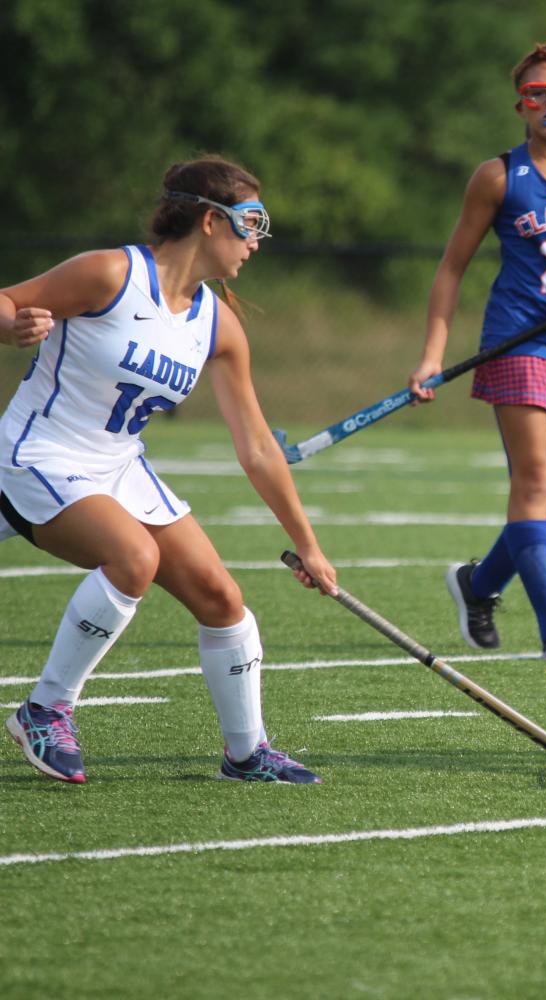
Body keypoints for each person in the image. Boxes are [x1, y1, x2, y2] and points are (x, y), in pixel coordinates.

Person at [0, 156, 338, 785]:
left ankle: (247, 752)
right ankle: (45, 709)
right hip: (39, 451)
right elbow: (8, 302)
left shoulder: (219, 325)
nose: (257, 240)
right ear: (211, 221)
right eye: (250, 222)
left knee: (223, 600)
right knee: (133, 558)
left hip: (118, 465)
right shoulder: (110, 272)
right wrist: (12, 324)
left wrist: (307, 543)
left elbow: (259, 446)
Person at [408, 40, 546, 661]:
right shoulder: (499, 175)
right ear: (521, 107)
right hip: (515, 343)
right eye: (537, 94)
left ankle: (477, 585)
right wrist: (432, 354)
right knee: (534, 481)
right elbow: (451, 270)